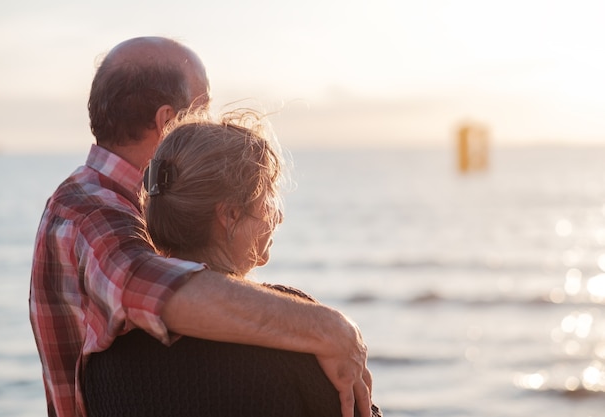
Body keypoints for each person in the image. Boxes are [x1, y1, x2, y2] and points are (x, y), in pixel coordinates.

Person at [29, 36, 372, 417]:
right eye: (204, 106)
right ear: (168, 121)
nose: (210, 122)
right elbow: (140, 283)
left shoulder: (119, 205)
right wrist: (330, 328)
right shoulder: (90, 209)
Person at [83, 110, 381, 417]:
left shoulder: (103, 354)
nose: (277, 216)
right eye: (268, 196)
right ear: (231, 215)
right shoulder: (300, 329)